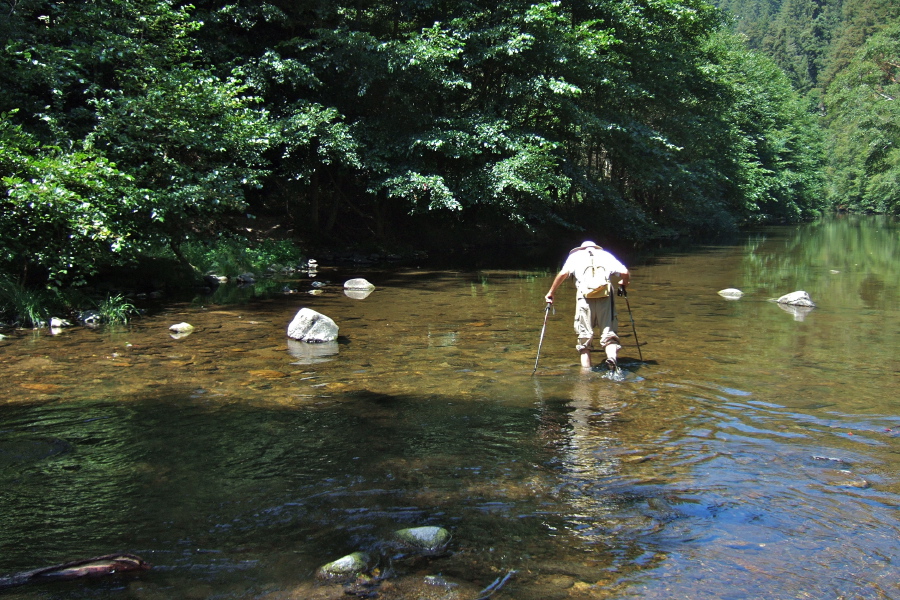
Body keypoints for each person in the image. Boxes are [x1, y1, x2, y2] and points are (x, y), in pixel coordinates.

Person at [544, 241, 630, 371]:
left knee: (584, 336)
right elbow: (624, 271)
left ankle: (585, 374)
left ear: (581, 248)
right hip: (605, 297)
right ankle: (612, 358)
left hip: (585, 297)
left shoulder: (575, 256)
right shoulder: (606, 255)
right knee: (609, 333)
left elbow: (562, 274)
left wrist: (551, 293)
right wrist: (624, 283)